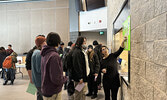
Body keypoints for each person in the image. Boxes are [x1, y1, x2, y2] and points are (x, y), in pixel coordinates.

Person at [41, 32, 67, 100]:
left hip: (46, 88)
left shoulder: (45, 53)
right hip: (53, 91)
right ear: (57, 42)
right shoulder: (54, 56)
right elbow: (56, 78)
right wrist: (65, 79)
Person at [31, 36, 46, 100]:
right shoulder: (39, 54)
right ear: (41, 43)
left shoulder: (35, 52)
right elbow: (39, 69)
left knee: (39, 96)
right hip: (40, 81)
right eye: (44, 42)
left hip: (37, 80)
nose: (46, 43)